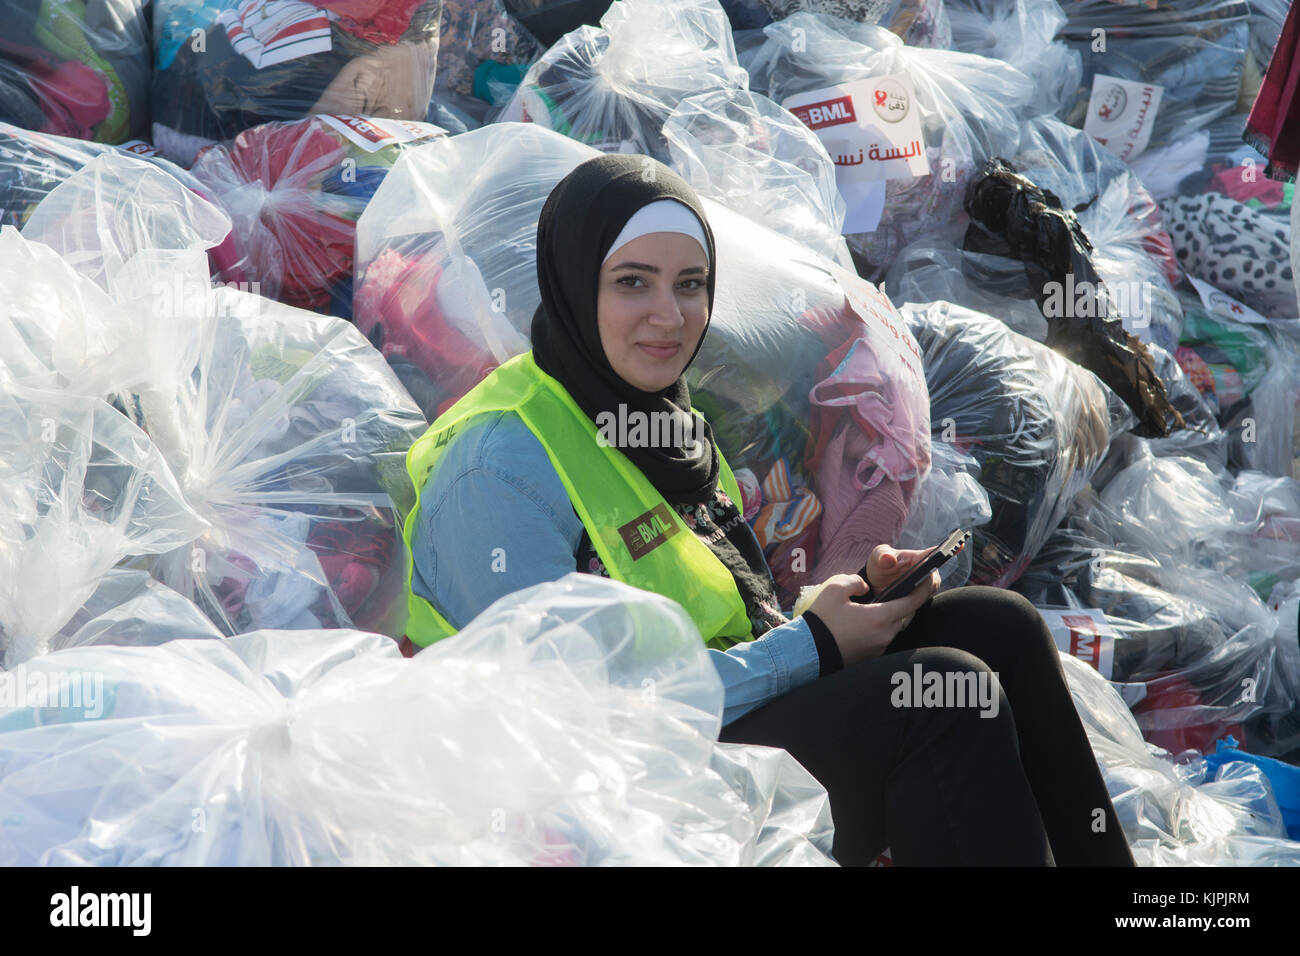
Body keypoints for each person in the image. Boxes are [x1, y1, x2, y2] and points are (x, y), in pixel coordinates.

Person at [400, 153, 1135, 867]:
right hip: (610, 790)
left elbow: (729, 618)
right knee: (944, 699)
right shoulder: (499, 467)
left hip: (700, 725)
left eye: (691, 284)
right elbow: (580, 712)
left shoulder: (664, 423)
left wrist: (841, 609)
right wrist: (812, 647)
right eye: (633, 283)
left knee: (997, 627)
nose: (670, 315)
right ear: (569, 284)